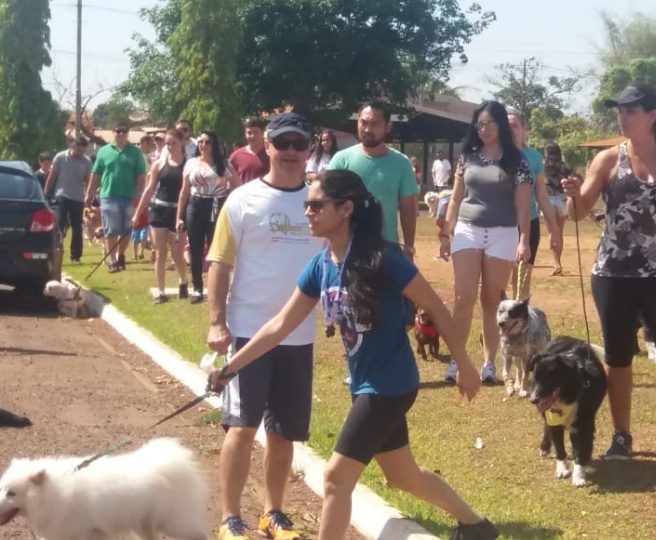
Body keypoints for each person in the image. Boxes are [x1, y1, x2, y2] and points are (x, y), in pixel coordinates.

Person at [207, 169, 497, 540]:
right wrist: (231, 367)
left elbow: (436, 309)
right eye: (306, 205)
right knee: (402, 476)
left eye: (315, 205)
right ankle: (476, 526)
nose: (307, 212)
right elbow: (280, 325)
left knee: (335, 479)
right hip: (365, 384)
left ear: (345, 209)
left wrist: (466, 365)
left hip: (390, 385)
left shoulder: (384, 261)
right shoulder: (322, 265)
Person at [561, 85, 656, 462]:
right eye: (620, 110)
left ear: (652, 115)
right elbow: (579, 213)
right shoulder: (608, 159)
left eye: (631, 110)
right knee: (618, 356)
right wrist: (573, 193)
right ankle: (621, 436)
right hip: (614, 272)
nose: (623, 116)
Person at [205, 113, 324, 540]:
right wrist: (217, 323)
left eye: (299, 143)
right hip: (247, 332)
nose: (291, 151)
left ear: (309, 149)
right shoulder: (242, 200)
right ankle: (230, 518)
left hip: (299, 335)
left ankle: (274, 514)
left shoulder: (318, 201)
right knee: (241, 427)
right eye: (283, 142)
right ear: (267, 146)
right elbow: (219, 263)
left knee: (284, 432)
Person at [439, 100, 533, 385]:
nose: (484, 129)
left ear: (501, 125)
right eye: (479, 123)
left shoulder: (517, 161)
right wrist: (446, 232)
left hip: (503, 232)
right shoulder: (467, 156)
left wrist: (524, 240)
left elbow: (523, 206)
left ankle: (490, 363)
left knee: (492, 301)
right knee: (463, 296)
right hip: (468, 229)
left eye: (489, 123)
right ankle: (457, 360)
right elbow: (455, 198)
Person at [328, 101, 419, 257]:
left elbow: (408, 207)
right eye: (363, 123)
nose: (367, 129)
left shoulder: (402, 163)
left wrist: (409, 247)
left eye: (375, 124)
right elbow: (328, 202)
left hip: (387, 249)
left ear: (387, 127)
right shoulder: (341, 160)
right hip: (347, 249)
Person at [176, 130, 235, 304]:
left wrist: (227, 199)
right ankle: (197, 288)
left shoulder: (222, 164)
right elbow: (184, 191)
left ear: (214, 144)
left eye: (207, 142)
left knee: (215, 248)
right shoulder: (191, 163)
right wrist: (179, 217)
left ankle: (216, 287)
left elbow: (237, 185)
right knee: (194, 247)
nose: (203, 146)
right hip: (195, 205)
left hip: (216, 205)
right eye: (200, 142)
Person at [507, 109, 559, 300]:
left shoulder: (534, 157)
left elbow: (542, 195)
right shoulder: (494, 154)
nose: (510, 130)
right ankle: (495, 327)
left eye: (514, 126)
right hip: (499, 223)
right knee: (498, 280)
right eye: (506, 126)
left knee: (521, 282)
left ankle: (519, 325)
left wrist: (553, 229)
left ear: (525, 129)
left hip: (529, 223)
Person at [133, 128, 189, 305]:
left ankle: (183, 281)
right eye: (168, 144)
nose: (171, 147)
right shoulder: (159, 164)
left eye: (174, 143)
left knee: (178, 254)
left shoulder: (189, 164)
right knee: (159, 253)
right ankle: (161, 292)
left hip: (178, 213)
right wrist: (138, 213)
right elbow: (149, 190)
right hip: (158, 210)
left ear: (182, 144)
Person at [84, 123, 148, 273]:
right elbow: (96, 174)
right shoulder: (104, 151)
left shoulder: (135, 152)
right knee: (110, 230)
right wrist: (89, 193)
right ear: (113, 133)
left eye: (123, 131)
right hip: (108, 196)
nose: (120, 133)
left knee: (126, 230)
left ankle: (121, 254)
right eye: (117, 131)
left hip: (129, 196)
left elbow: (141, 175)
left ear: (127, 133)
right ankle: (113, 260)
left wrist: (139, 195)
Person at [45, 137, 93, 264]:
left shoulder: (87, 162)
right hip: (61, 196)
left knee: (77, 227)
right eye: (78, 150)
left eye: (82, 151)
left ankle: (75, 256)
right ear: (72, 147)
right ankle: (56, 252)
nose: (80, 154)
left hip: (78, 198)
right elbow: (52, 176)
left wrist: (88, 197)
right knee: (59, 224)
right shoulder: (60, 157)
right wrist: (45, 194)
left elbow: (89, 181)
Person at [542, 143, 570, 276]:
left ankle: (556, 263)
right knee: (559, 233)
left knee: (551, 233)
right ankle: (558, 262)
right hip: (563, 199)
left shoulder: (543, 164)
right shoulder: (563, 165)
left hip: (548, 198)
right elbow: (571, 174)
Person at [228, 117, 270, 189]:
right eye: (249, 133)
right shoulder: (236, 156)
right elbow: (230, 182)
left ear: (263, 133)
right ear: (245, 134)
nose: (252, 136)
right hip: (244, 197)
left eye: (256, 132)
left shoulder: (271, 154)